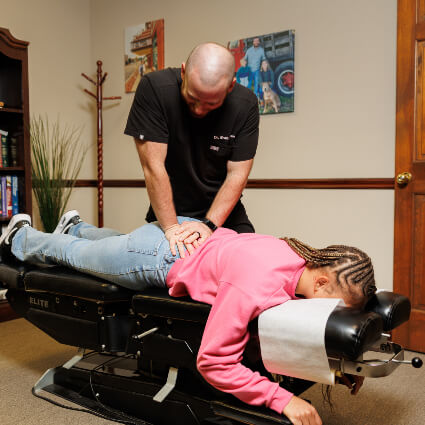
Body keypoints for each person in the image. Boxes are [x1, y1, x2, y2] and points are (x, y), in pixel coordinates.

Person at [0, 211, 376, 425]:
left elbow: (279, 334)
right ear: (323, 279)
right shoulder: (257, 285)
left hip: (185, 232)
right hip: (158, 256)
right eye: (338, 305)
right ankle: (20, 237)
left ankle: (77, 226)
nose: (334, 315)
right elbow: (212, 362)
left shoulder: (296, 256)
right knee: (77, 256)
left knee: (103, 247)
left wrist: (332, 368)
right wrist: (281, 400)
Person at [124, 42, 260, 258]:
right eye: (192, 98)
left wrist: (209, 225)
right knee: (168, 262)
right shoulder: (155, 89)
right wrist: (171, 229)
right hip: (170, 209)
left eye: (211, 104)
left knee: (250, 259)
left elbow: (238, 174)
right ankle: (75, 229)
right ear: (184, 71)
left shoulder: (245, 105)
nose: (198, 110)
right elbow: (153, 166)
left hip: (223, 212)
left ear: (231, 87)